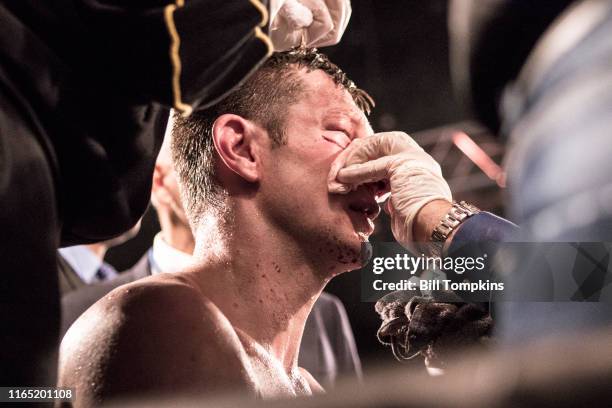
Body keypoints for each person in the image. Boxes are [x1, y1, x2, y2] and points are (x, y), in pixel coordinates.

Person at [0, 0, 351, 387]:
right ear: (241, 148)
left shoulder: (304, 375)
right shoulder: (154, 317)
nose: (375, 163)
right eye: (338, 132)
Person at [59, 47, 376, 405]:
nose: (379, 173)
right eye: (340, 134)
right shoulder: (163, 321)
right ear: (241, 148)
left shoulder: (303, 383)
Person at [60, 132, 362, 388]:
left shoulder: (325, 316)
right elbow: (19, 396)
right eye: (200, 160)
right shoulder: (77, 310)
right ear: (160, 182)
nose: (234, 169)